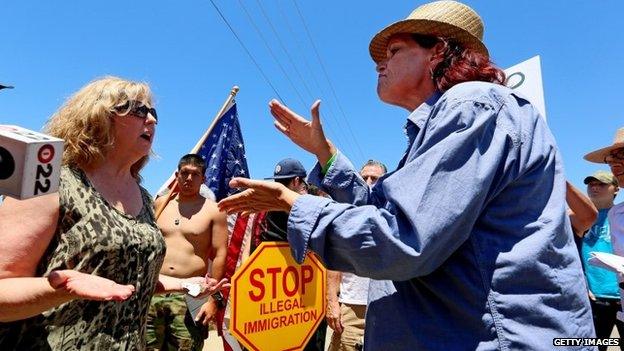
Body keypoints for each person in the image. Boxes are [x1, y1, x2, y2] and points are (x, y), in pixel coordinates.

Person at [218, 1, 595, 349]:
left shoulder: (471, 107)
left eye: (394, 51)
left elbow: (403, 239)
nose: (380, 64)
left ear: (439, 51)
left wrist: (295, 204)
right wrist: (325, 153)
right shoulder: (449, 120)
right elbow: (387, 210)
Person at [0, 76, 226, 349]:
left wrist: (184, 284)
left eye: (153, 112)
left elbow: (127, 280)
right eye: (139, 110)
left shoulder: (143, 196)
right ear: (99, 116)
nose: (152, 120)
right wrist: (62, 287)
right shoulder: (48, 182)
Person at [147, 154, 228, 351]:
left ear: (203, 179)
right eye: (184, 173)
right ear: (177, 175)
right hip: (154, 290)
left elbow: (219, 255)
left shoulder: (214, 210)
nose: (189, 179)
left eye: (195, 174)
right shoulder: (160, 204)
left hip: (190, 295)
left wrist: (213, 300)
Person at [326, 160, 386, 351]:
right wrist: (332, 302)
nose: (368, 182)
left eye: (375, 178)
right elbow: (335, 261)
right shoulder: (348, 216)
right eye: (364, 177)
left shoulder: (392, 217)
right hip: (352, 308)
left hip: (385, 308)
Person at [579, 171, 623, 349]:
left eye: (602, 184)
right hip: (594, 297)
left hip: (621, 294)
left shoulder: (621, 215)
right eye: (591, 184)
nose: (595, 187)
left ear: (616, 189)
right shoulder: (577, 218)